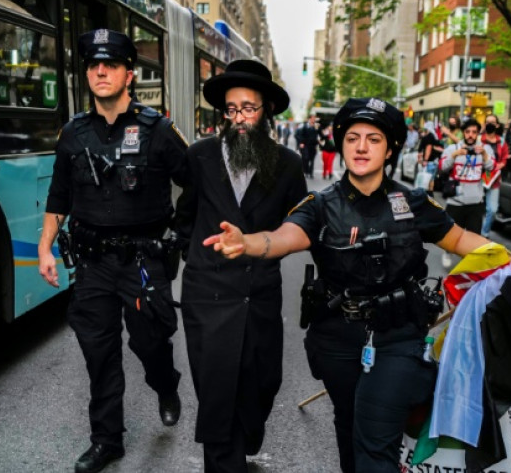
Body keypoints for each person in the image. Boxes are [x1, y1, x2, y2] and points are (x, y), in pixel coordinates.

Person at [203, 97, 493, 473]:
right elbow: (282, 238)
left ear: (390, 149)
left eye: (373, 139)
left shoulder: (413, 202)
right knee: (349, 424)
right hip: (336, 339)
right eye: (353, 137)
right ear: (341, 144)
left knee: (375, 441)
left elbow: (463, 241)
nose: (361, 147)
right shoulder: (320, 204)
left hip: (398, 337)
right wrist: (248, 243)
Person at [37, 28, 187, 473]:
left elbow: (195, 184)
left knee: (150, 342)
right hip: (92, 262)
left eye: (111, 65)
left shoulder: (157, 130)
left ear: (129, 74)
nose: (100, 71)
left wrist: (181, 233)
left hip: (143, 260)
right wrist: (45, 248)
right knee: (98, 353)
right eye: (93, 65)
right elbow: (58, 198)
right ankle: (107, 440)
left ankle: (165, 384)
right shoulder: (73, 134)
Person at [176, 59, 308, 472]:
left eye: (248, 108)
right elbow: (184, 218)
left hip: (260, 297)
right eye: (231, 110)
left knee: (263, 387)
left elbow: (298, 225)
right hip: (208, 299)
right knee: (218, 402)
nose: (239, 119)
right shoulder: (198, 157)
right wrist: (196, 259)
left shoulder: (288, 164)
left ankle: (250, 430)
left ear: (266, 109)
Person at [437, 118, 494, 268]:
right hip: (456, 200)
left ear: (477, 134)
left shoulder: (484, 149)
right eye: (468, 132)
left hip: (475, 200)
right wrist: (455, 154)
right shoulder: (453, 148)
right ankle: (447, 252)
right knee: (451, 233)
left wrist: (485, 156)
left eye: (474, 132)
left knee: (474, 236)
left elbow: (491, 167)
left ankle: (469, 262)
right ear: (463, 133)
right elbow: (442, 167)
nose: (470, 135)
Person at [480, 114, 510, 237]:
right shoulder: (479, 140)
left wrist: (499, 166)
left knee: (492, 209)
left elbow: (504, 159)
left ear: (497, 125)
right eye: (487, 122)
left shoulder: (502, 142)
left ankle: (484, 233)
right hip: (478, 178)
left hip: (494, 179)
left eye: (493, 122)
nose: (490, 125)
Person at [414, 122, 442, 193]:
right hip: (435, 162)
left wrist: (425, 160)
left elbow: (428, 148)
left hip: (429, 162)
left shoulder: (428, 137)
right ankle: (431, 194)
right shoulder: (434, 136)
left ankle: (427, 195)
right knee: (431, 179)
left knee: (426, 180)